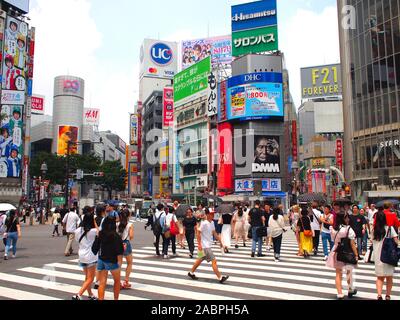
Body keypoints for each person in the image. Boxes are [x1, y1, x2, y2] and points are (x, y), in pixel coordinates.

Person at [188, 209, 229, 284]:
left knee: (200, 259)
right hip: (205, 246)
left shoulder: (212, 222)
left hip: (206, 245)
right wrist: (199, 244)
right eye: (211, 214)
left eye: (213, 214)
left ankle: (191, 272)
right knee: (214, 261)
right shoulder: (204, 223)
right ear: (207, 214)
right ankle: (220, 277)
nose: (213, 215)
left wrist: (220, 242)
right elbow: (198, 233)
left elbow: (214, 233)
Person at [326, 213, 359, 300]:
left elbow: (333, 239)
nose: (348, 219)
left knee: (338, 273)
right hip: (348, 252)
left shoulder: (333, 228)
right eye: (346, 218)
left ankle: (340, 293)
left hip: (337, 250)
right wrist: (356, 255)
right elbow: (352, 244)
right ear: (343, 219)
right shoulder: (348, 229)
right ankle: (350, 289)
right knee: (349, 272)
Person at [94, 217, 124, 301]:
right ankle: (115, 298)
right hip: (111, 260)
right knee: (117, 281)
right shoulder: (116, 236)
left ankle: (100, 298)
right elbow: (119, 251)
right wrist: (119, 263)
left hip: (101, 259)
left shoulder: (101, 233)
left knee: (102, 282)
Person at [372, 211, 399, 300]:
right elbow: (396, 241)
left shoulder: (374, 230)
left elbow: (371, 241)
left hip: (378, 257)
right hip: (388, 256)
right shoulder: (390, 229)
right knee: (389, 277)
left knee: (380, 277)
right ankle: (387, 295)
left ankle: (379, 295)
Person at [72, 212, 98, 300]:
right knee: (90, 278)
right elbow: (99, 232)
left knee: (87, 277)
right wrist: (94, 222)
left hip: (81, 255)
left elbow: (77, 240)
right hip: (90, 256)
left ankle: (90, 294)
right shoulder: (93, 231)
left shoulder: (77, 230)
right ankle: (78, 295)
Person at [117, 209, 134, 290]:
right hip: (126, 244)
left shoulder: (117, 224)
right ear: (128, 216)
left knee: (119, 264)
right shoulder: (129, 224)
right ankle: (126, 281)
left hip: (118, 243)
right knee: (129, 262)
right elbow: (131, 236)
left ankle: (118, 282)